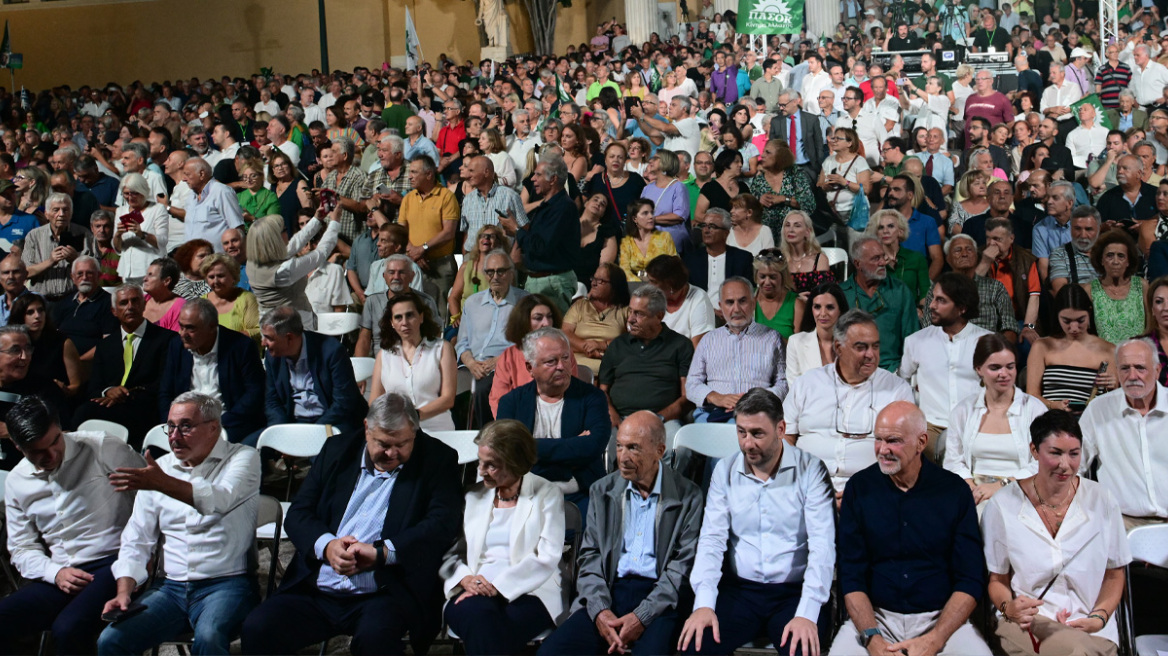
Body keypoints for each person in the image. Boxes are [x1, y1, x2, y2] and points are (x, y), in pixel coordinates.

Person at [240, 393, 463, 655]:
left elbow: (442, 525)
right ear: (367, 429)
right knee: (258, 627)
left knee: (375, 640)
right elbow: (299, 513)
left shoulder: (437, 459)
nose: (392, 452)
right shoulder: (337, 450)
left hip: (385, 590)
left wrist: (382, 553)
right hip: (318, 587)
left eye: (402, 444)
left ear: (415, 432)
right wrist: (327, 546)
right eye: (383, 443)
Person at [96, 392, 260, 656]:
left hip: (226, 583)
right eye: (170, 426)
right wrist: (124, 591)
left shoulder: (243, 458)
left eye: (185, 426)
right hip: (169, 587)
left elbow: (218, 500)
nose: (173, 436)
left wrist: (161, 483)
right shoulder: (160, 469)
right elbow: (136, 539)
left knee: (208, 637)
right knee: (111, 640)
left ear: (213, 428)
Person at [677, 388, 834, 656]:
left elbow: (823, 546)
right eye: (742, 432)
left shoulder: (811, 470)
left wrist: (808, 613)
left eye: (757, 433)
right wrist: (704, 604)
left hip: (794, 593)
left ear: (781, 429)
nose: (748, 443)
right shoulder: (725, 470)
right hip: (740, 591)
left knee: (804, 651)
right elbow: (712, 540)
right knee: (694, 647)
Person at [830, 402, 991, 656]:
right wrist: (872, 639)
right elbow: (852, 577)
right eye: (878, 440)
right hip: (875, 619)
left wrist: (935, 639)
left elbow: (970, 579)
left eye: (893, 441)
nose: (883, 450)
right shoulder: (859, 489)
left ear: (921, 442)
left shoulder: (954, 491)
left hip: (942, 619)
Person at [538, 411, 703, 656]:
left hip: (661, 599)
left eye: (633, 448)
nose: (623, 458)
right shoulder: (602, 490)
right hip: (609, 591)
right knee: (551, 653)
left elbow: (681, 570)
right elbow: (590, 558)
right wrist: (600, 610)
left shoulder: (689, 495)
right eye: (619, 447)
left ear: (659, 451)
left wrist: (642, 616)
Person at [0, 395, 144, 655]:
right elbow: (21, 548)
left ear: (60, 428)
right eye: (38, 451)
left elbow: (151, 498)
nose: (52, 454)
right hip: (61, 571)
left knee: (68, 628)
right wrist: (54, 572)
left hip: (115, 560)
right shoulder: (16, 481)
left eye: (55, 441)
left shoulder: (102, 447)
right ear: (17, 446)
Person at [983, 409, 1129, 655]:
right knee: (1077, 652)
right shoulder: (1002, 505)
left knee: (1083, 650)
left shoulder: (1102, 499)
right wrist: (1010, 608)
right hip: (1030, 622)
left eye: (1074, 454)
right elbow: (998, 580)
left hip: (1092, 626)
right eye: (1055, 453)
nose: (1065, 465)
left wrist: (1099, 617)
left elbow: (1115, 573)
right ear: (1034, 450)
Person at [440, 419, 564, 655]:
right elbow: (453, 552)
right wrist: (465, 579)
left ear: (516, 464)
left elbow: (547, 556)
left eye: (491, 465)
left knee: (491, 629)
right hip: (475, 587)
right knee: (480, 618)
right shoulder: (472, 496)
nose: (480, 471)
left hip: (533, 589)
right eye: (480, 462)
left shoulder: (547, 494)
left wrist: (497, 586)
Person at [783, 309, 914, 496]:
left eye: (875, 346)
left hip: (872, 492)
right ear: (838, 348)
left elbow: (903, 452)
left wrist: (860, 493)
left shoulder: (897, 390)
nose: (871, 354)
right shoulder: (807, 383)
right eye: (861, 347)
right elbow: (785, 436)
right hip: (808, 488)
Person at [497, 327, 610, 512]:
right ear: (530, 368)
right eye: (551, 361)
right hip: (525, 493)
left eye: (565, 358)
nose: (561, 366)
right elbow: (507, 452)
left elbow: (593, 445)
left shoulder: (592, 397)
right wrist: (572, 447)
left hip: (580, 492)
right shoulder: (511, 403)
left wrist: (529, 447)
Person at [945, 333, 1048, 506]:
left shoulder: (1035, 410)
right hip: (974, 492)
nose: (1004, 374)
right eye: (995, 368)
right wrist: (970, 486)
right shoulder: (963, 410)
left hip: (1021, 492)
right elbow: (953, 461)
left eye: (1010, 367)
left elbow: (1042, 462)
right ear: (979, 369)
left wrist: (1002, 485)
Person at [899, 273, 992, 459]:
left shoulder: (987, 342)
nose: (931, 305)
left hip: (974, 426)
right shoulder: (916, 341)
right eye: (933, 298)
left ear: (961, 308)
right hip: (930, 429)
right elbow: (903, 382)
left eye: (941, 300)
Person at [73, 284, 178, 447]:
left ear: (144, 305)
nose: (130, 307)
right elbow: (94, 386)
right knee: (82, 413)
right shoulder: (105, 345)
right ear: (114, 311)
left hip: (144, 407)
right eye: (123, 303)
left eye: (135, 301)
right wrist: (108, 391)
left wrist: (124, 395)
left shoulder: (166, 339)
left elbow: (163, 383)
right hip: (108, 406)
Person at [1080, 337, 1168, 528]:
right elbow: (1073, 464)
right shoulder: (1098, 410)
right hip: (1121, 523)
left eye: (1140, 368)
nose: (1133, 376)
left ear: (1157, 370)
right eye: (1125, 368)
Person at [598, 285, 694, 458]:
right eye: (630, 311)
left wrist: (658, 418)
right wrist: (611, 413)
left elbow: (687, 397)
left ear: (659, 316)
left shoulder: (680, 345)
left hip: (663, 421)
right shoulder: (617, 345)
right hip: (620, 419)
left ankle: (661, 485)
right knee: (599, 445)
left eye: (639, 314)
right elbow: (602, 390)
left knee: (679, 450)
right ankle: (615, 486)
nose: (631, 319)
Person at [159, 298, 266, 443]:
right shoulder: (176, 346)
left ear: (211, 327)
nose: (183, 334)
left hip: (228, 422)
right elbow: (165, 392)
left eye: (190, 328)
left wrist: (216, 424)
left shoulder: (241, 347)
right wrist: (172, 423)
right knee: (155, 450)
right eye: (181, 327)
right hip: (184, 424)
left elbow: (254, 393)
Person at [686, 278, 788, 426]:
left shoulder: (772, 338)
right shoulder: (708, 340)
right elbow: (692, 384)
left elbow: (783, 383)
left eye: (743, 301)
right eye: (729, 302)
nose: (736, 309)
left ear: (753, 303)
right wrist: (715, 397)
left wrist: (758, 400)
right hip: (713, 413)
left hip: (758, 413)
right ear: (721, 306)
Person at [262, 305, 368, 438]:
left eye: (269, 338)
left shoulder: (332, 351)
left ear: (289, 338)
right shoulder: (273, 356)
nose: (263, 343)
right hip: (294, 422)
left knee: (323, 455)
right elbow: (272, 401)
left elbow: (343, 402)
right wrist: (280, 434)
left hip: (332, 421)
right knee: (254, 447)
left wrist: (310, 435)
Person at [456, 249, 529, 427]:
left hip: (506, 365)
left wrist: (500, 361)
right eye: (490, 272)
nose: (495, 276)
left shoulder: (524, 302)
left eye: (501, 271)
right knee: (445, 388)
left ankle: (487, 439)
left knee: (483, 389)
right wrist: (472, 363)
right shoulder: (472, 303)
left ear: (511, 273)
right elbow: (462, 342)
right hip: (471, 365)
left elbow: (528, 343)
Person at [501, 155, 581, 312]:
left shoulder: (563, 207)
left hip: (552, 283)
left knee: (550, 333)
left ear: (553, 179)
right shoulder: (548, 206)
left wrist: (517, 230)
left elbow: (541, 247)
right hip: (540, 280)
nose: (532, 179)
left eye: (538, 174)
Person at [367, 290, 456, 431]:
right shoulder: (384, 356)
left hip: (436, 428)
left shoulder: (442, 348)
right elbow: (374, 401)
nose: (405, 322)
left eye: (410, 315)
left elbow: (448, 399)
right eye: (398, 317)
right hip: (396, 431)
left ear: (421, 317)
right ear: (391, 323)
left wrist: (412, 418)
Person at [1027, 285, 1117, 414]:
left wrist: (1113, 387)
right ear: (1057, 316)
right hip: (1050, 420)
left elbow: (1113, 401)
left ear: (1089, 313)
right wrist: (1053, 405)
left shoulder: (1108, 350)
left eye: (1080, 320)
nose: (1074, 328)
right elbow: (1031, 395)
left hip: (1090, 421)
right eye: (1067, 321)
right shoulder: (1042, 346)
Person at [247, 210, 341, 330]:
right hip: (294, 330)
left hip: (269, 327)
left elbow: (294, 244)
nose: (288, 233)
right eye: (285, 230)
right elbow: (321, 253)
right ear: (275, 239)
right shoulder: (283, 271)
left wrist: (317, 219)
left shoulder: (253, 262)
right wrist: (335, 222)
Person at [489, 294, 578, 418]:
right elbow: (498, 400)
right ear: (524, 322)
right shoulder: (508, 356)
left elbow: (571, 394)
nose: (546, 323)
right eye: (538, 318)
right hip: (518, 426)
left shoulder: (565, 353)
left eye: (549, 317)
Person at [839, 236, 919, 371]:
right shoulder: (841, 293)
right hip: (853, 371)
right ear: (858, 264)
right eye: (876, 258)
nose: (883, 262)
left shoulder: (900, 290)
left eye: (883, 256)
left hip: (893, 370)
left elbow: (912, 338)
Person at [399, 155, 459, 311]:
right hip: (412, 262)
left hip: (441, 265)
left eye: (414, 172)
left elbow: (448, 232)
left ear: (429, 174)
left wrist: (422, 248)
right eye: (409, 172)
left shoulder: (446, 197)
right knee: (413, 310)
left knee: (439, 311)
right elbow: (401, 230)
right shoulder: (408, 199)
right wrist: (414, 252)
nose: (409, 176)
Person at [22, 193, 97, 303]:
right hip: (42, 300)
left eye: (65, 210)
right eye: (56, 210)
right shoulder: (34, 236)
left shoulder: (84, 234)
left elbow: (96, 269)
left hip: (74, 299)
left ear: (71, 213)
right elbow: (26, 272)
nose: (61, 214)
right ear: (46, 214)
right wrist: (50, 261)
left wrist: (75, 259)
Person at [978, 217, 1041, 344]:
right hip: (983, 319)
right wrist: (985, 263)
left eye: (997, 239)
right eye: (988, 238)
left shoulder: (1026, 259)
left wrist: (1028, 327)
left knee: (1027, 343)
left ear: (1011, 238)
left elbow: (1034, 296)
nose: (991, 243)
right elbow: (967, 290)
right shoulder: (977, 255)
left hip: (1017, 318)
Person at [563, 263, 630, 372]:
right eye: (594, 279)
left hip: (611, 366)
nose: (593, 283)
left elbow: (631, 338)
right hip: (576, 365)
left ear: (614, 286)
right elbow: (565, 332)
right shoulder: (580, 306)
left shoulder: (626, 311)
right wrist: (584, 346)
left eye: (601, 281)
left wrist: (602, 345)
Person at [1085, 229, 1146, 345]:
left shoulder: (1142, 286)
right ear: (1101, 260)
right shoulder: (1090, 290)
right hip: (1106, 358)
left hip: (1139, 357)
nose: (1115, 261)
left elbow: (1152, 326)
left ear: (1128, 261)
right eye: (1110, 256)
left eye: (1121, 256)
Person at [684, 208, 754, 309]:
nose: (706, 230)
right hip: (699, 313)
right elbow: (687, 296)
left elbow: (747, 294)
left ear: (726, 233)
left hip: (734, 312)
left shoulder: (742, 258)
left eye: (712, 226)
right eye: (703, 226)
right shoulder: (690, 260)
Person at [750, 138, 816, 244]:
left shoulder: (795, 174)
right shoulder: (759, 180)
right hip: (767, 239)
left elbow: (809, 204)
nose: (762, 156)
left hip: (795, 238)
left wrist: (783, 199)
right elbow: (750, 211)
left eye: (768, 152)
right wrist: (759, 201)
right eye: (763, 152)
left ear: (780, 156)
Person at [644, 255, 716, 348]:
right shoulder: (651, 299)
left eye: (653, 282)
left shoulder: (698, 299)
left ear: (670, 284)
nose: (649, 286)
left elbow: (699, 349)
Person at [113, 173, 169, 285]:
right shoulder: (121, 211)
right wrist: (118, 235)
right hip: (127, 271)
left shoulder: (157, 209)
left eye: (134, 193)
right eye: (126, 194)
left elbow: (162, 242)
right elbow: (118, 248)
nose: (129, 197)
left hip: (149, 269)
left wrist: (142, 235)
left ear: (143, 191)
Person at [865, 209, 930, 304]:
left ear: (900, 232)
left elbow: (926, 292)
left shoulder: (916, 258)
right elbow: (866, 292)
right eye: (880, 227)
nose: (885, 231)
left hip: (912, 312)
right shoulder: (871, 261)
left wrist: (920, 310)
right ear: (876, 234)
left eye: (890, 226)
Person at [787, 283, 848, 381]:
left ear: (840, 310)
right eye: (817, 307)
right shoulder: (796, 342)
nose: (823, 313)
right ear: (811, 309)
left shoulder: (852, 344)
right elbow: (795, 388)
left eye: (830, 307)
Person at [449, 225, 509, 324]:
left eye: (491, 236)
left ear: (499, 243)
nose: (486, 238)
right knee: (454, 339)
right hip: (465, 320)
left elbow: (508, 301)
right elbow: (453, 297)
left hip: (494, 321)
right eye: (483, 236)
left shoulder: (505, 270)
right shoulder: (465, 267)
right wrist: (456, 317)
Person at [181, 158, 245, 249]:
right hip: (193, 259)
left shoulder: (222, 192)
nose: (183, 179)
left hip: (217, 259)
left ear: (201, 174)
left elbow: (237, 228)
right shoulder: (190, 197)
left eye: (187, 175)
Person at [636, 150, 691, 253]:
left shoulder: (678, 187)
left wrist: (652, 219)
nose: (650, 161)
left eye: (656, 158)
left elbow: (679, 216)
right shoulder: (647, 188)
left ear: (666, 162)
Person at [201, 253, 260, 342]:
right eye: (211, 277)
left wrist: (230, 339)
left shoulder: (247, 299)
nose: (216, 281)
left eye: (220, 276)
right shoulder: (201, 303)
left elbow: (259, 330)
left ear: (233, 276)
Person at [619, 198, 678, 282]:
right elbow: (624, 271)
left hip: (662, 285)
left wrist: (651, 281)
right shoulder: (626, 242)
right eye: (645, 213)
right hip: (635, 288)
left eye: (652, 213)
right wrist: (642, 283)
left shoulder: (665, 237)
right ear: (634, 219)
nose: (651, 217)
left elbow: (675, 266)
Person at [753, 249, 804, 339]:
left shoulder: (796, 304)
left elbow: (798, 347)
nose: (767, 282)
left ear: (783, 277)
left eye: (772, 277)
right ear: (756, 277)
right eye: (762, 277)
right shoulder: (748, 299)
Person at [142, 258, 186, 332]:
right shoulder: (140, 300)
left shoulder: (180, 307)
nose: (144, 279)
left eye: (150, 275)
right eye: (146, 275)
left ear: (166, 281)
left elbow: (175, 339)